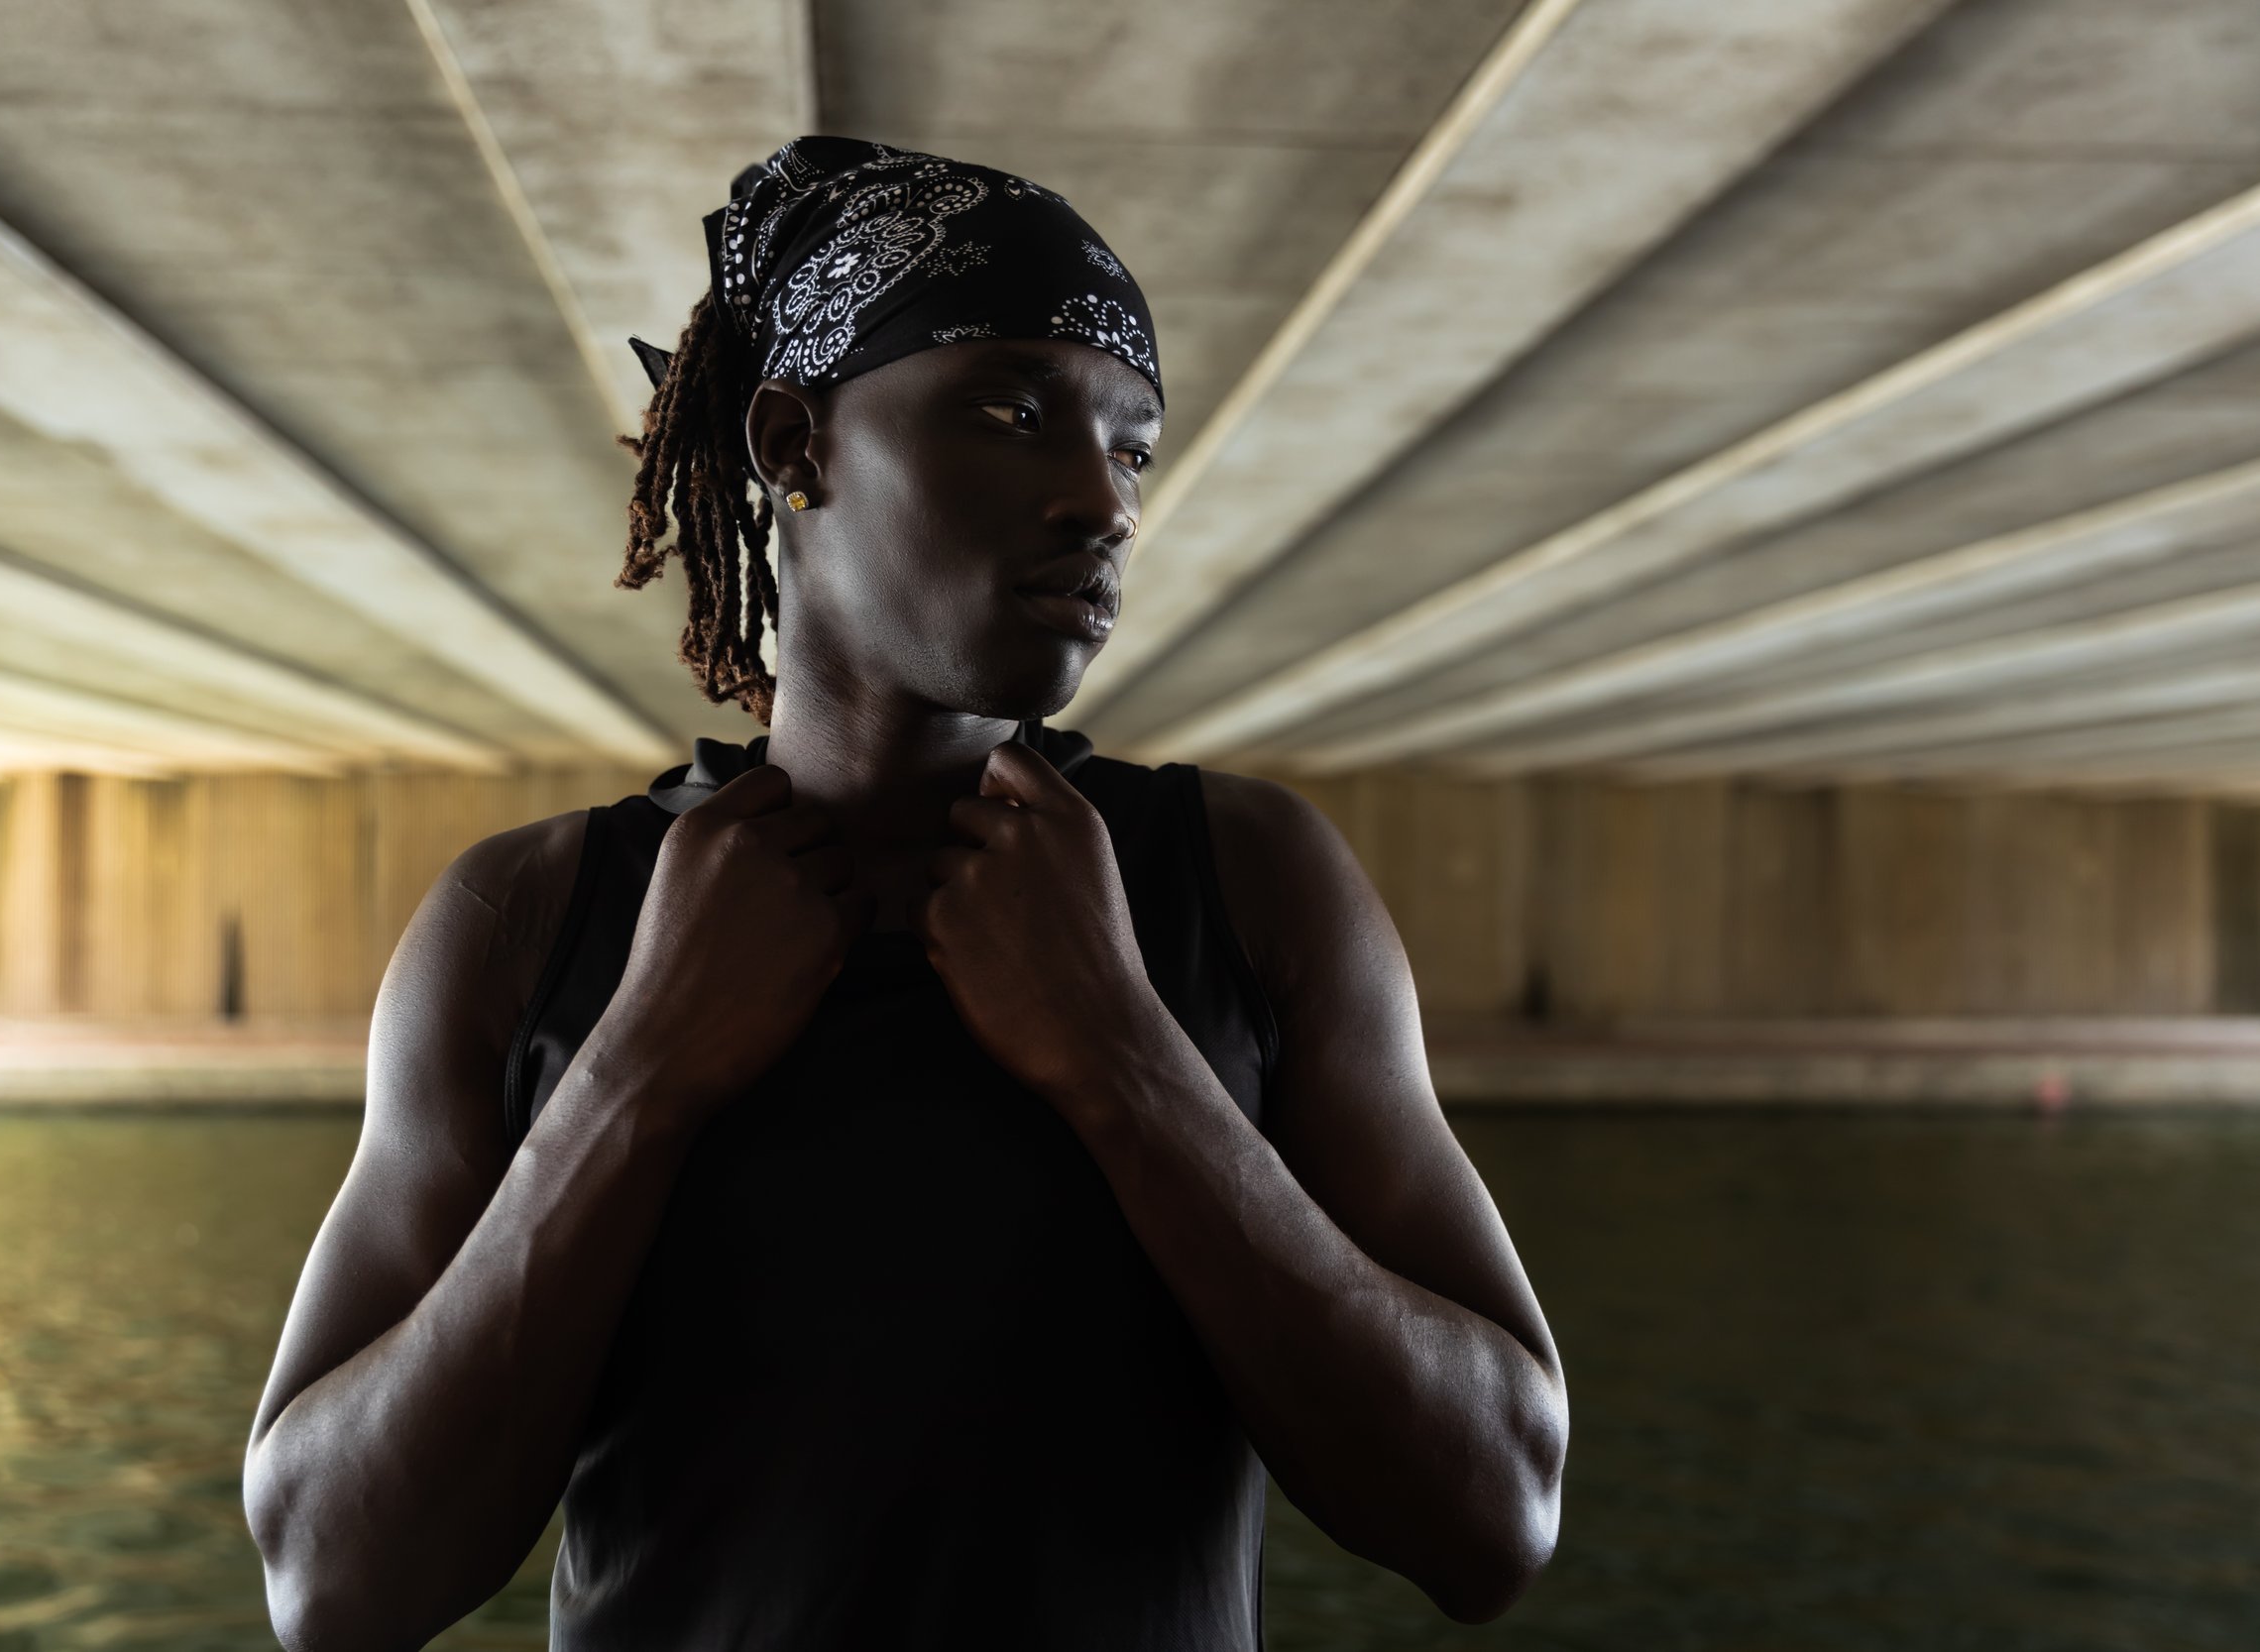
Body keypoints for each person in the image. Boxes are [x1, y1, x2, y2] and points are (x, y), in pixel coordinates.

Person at [242, 136, 1567, 1651]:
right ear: (796, 443)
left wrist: (1129, 1064)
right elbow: (331, 1585)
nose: (1102, 500)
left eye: (1130, 444)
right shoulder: (528, 921)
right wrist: (636, 1079)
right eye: (1012, 412)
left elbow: (1493, 1518)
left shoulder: (1246, 881)